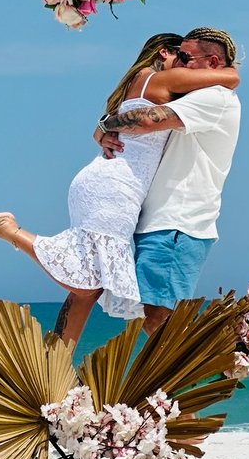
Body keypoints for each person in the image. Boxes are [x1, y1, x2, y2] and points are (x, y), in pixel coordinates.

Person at [0, 31, 240, 345]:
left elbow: (113, 124)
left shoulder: (144, 86)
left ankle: (56, 361)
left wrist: (105, 124)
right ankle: (13, 232)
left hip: (108, 184)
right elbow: (228, 78)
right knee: (89, 283)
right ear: (164, 53)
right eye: (183, 57)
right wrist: (230, 70)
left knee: (89, 286)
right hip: (115, 189)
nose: (189, 69)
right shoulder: (158, 80)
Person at [98, 27, 241, 337]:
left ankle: (193, 382)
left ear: (213, 62)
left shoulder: (214, 97)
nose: (178, 62)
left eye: (186, 57)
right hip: (165, 224)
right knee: (153, 320)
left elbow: (148, 121)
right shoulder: (200, 97)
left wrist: (106, 124)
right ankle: (187, 381)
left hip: (176, 223)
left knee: (159, 323)